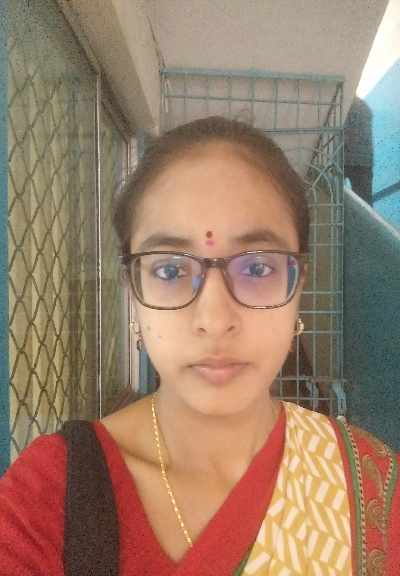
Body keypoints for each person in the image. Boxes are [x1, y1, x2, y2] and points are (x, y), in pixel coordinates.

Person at [0, 116, 399, 575]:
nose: (214, 321)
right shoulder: (51, 495)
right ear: (133, 293)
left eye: (257, 268)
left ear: (299, 286)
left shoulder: (368, 487)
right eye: (170, 270)